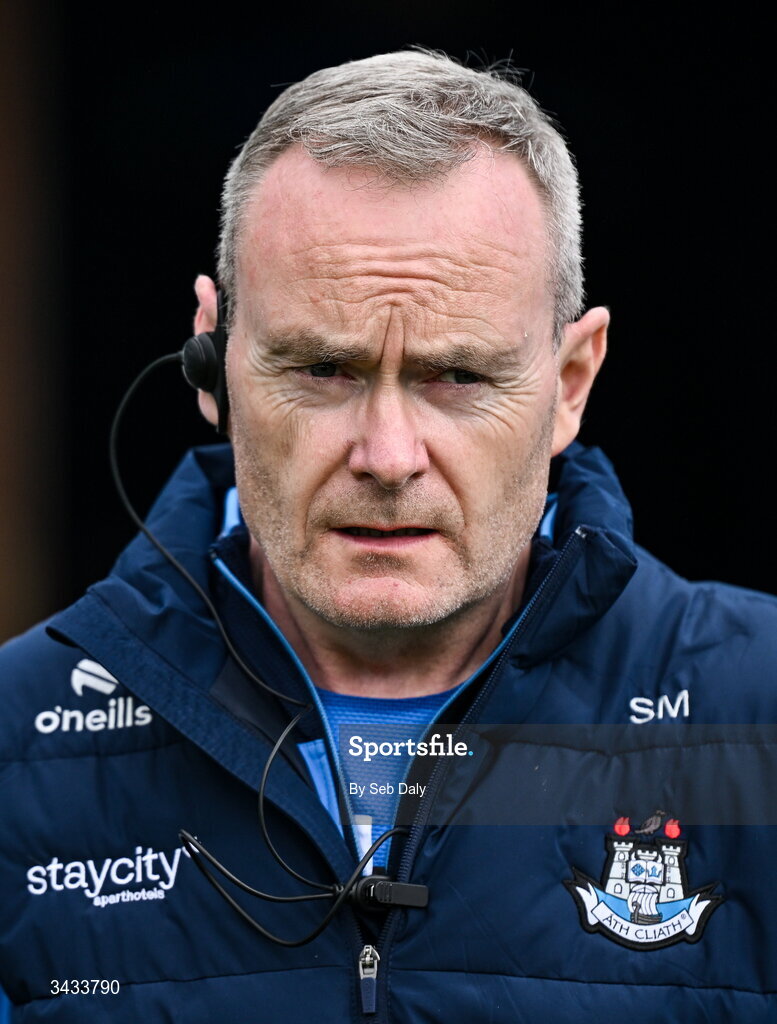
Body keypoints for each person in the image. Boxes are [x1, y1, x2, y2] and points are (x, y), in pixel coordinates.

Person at [1, 48, 775, 1023]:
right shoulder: (15, 746)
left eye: (458, 377)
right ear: (211, 364)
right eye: (324, 369)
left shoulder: (761, 711)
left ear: (571, 382)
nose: (388, 452)